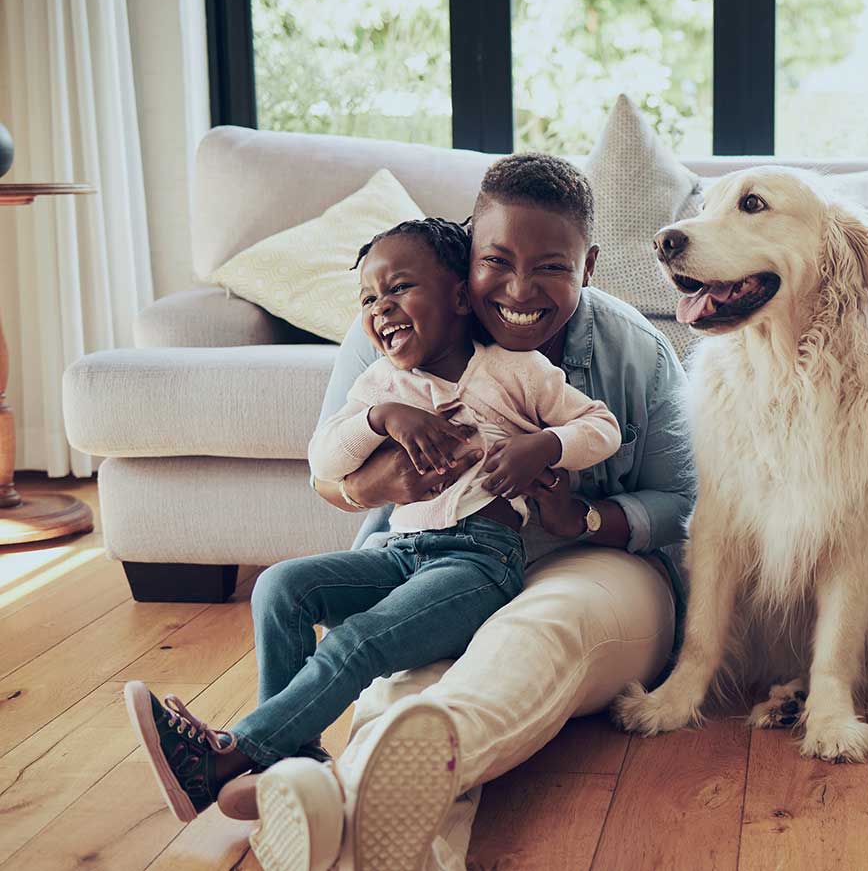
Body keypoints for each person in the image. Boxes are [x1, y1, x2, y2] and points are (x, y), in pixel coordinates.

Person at [224, 154, 690, 871]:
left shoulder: (639, 354)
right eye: (496, 261)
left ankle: (337, 807)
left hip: (594, 561)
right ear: (465, 258)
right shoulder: (392, 334)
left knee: (531, 634)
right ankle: (324, 807)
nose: (519, 290)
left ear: (588, 266)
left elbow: (680, 501)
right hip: (435, 549)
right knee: (401, 669)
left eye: (552, 269)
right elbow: (328, 474)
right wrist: (382, 486)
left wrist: (585, 520)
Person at [121, 216, 626, 828]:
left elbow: (601, 427)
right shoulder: (380, 383)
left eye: (400, 289)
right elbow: (325, 459)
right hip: (398, 550)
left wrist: (543, 447)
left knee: (357, 640)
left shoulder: (514, 370)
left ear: (461, 297)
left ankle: (232, 753)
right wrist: (384, 416)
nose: (382, 308)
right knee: (281, 587)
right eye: (369, 297)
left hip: (479, 563)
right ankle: (287, 761)